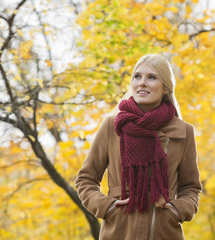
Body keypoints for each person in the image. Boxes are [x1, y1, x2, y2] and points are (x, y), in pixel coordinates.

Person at [75, 53, 201, 240]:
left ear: (166, 87)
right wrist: (107, 208)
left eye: (151, 77)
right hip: (119, 232)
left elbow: (191, 187)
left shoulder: (183, 132)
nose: (142, 82)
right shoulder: (112, 126)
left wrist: (177, 211)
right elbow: (85, 180)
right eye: (137, 76)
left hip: (165, 233)